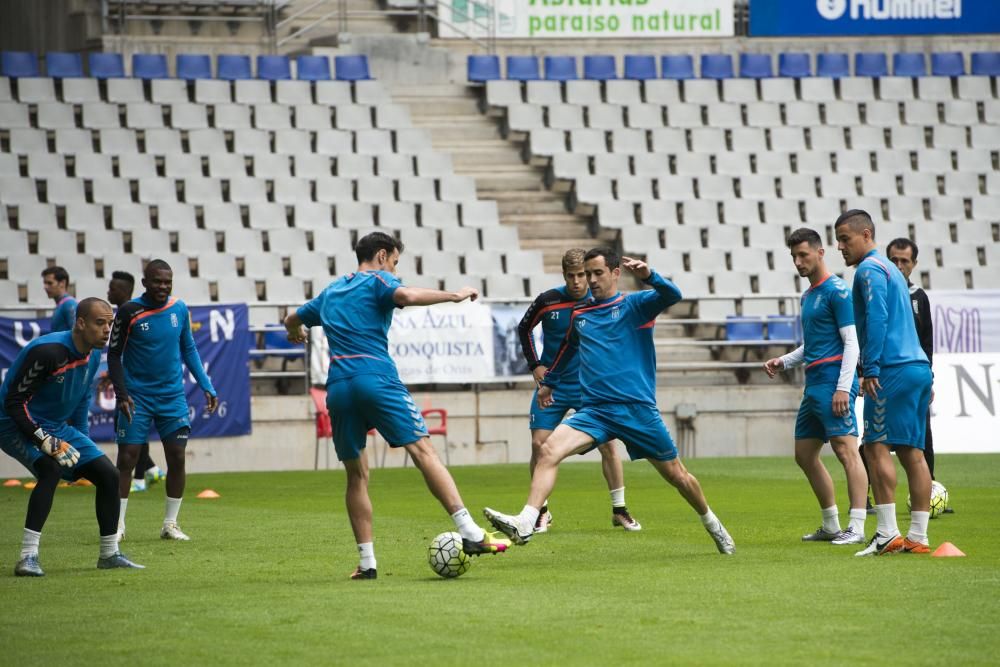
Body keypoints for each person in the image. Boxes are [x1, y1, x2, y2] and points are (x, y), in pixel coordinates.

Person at [283, 232, 510, 580]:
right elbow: (403, 294)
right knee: (424, 451)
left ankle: (367, 563)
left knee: (357, 475)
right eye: (394, 263)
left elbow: (290, 319)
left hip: (339, 385)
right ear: (382, 255)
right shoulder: (378, 279)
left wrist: (295, 332)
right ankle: (469, 531)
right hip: (375, 376)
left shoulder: (330, 291)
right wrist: (454, 295)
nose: (395, 271)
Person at [484, 248, 735, 554]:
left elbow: (673, 295)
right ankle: (527, 520)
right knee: (548, 450)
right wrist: (547, 382)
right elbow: (565, 351)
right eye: (587, 274)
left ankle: (712, 524)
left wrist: (648, 276)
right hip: (596, 412)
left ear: (616, 273)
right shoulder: (581, 315)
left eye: (597, 273)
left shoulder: (637, 305)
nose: (591, 280)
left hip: (637, 411)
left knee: (677, 476)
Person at [0, 297, 143, 576]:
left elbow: (81, 400)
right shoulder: (49, 352)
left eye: (110, 324)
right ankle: (28, 557)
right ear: (80, 323)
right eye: (99, 323)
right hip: (11, 423)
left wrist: (83, 445)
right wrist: (43, 439)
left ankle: (109, 554)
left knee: (109, 476)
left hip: (54, 425)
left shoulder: (92, 355)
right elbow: (14, 403)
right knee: (50, 469)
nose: (107, 330)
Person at [517, 248, 641, 533]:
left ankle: (619, 509)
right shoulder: (548, 300)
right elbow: (524, 329)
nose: (577, 281)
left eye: (582, 275)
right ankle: (542, 512)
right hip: (553, 386)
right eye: (571, 276)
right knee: (539, 445)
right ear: (564, 275)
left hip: (589, 388)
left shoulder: (597, 302)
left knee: (608, 444)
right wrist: (535, 365)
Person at [834, 210, 933, 556]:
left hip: (890, 369)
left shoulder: (870, 269)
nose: (840, 246)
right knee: (913, 454)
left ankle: (888, 534)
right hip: (917, 366)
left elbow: (877, 318)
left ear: (866, 234)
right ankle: (918, 538)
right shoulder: (893, 270)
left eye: (845, 238)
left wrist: (870, 369)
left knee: (875, 447)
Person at [763, 228, 867, 545]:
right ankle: (832, 525)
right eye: (793, 256)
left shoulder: (837, 291)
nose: (798, 261)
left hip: (834, 381)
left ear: (821, 253)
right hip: (814, 382)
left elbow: (852, 343)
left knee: (846, 451)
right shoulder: (809, 295)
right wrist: (785, 361)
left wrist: (843, 386)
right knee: (804, 454)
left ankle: (858, 526)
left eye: (803, 254)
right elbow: (813, 345)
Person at [108, 260, 218, 542]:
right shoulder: (129, 311)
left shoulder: (179, 308)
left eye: (167, 282)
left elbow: (189, 348)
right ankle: (118, 525)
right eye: (157, 281)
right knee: (127, 459)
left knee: (177, 457)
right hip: (137, 397)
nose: (163, 286)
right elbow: (114, 355)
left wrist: (206, 385)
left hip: (172, 396)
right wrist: (122, 394)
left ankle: (170, 524)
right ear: (145, 283)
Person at [884, 239, 947, 509]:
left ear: (914, 264)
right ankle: (867, 496)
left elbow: (927, 341)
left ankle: (929, 490)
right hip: (886, 375)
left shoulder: (919, 297)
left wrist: (928, 377)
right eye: (894, 260)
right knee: (874, 441)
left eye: (905, 261)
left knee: (923, 434)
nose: (899, 266)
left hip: (914, 375)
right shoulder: (880, 292)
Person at [105, 270, 164, 494]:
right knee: (129, 429)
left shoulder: (134, 313)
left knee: (133, 429)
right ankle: (151, 469)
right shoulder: (124, 312)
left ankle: (140, 476)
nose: (109, 291)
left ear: (122, 291)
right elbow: (119, 354)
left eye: (112, 288)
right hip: (127, 381)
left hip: (137, 385)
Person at [42, 266, 77, 332]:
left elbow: (78, 334)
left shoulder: (69, 304)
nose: (45, 287)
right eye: (45, 283)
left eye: (50, 283)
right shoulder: (62, 304)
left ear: (62, 283)